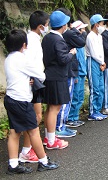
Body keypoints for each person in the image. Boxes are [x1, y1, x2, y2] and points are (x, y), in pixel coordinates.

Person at [4, 29, 59, 174]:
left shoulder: (8, 58)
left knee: (14, 132)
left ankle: (13, 165)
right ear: (24, 45)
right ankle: (43, 162)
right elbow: (41, 75)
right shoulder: (22, 59)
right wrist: (33, 78)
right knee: (34, 131)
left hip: (10, 98)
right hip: (22, 101)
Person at [42, 11, 76, 149]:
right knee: (54, 109)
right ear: (63, 25)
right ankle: (51, 141)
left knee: (50, 108)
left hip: (49, 75)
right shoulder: (58, 39)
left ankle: (48, 136)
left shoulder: (47, 38)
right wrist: (71, 53)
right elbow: (63, 59)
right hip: (57, 77)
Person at [19, 11, 49, 163]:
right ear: (40, 26)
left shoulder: (33, 38)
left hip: (34, 81)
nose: (47, 27)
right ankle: (26, 151)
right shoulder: (32, 40)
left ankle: (27, 149)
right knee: (35, 117)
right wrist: (34, 78)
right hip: (33, 82)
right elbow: (28, 62)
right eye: (47, 24)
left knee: (35, 116)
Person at [55, 8, 86, 137]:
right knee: (65, 100)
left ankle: (62, 124)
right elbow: (82, 42)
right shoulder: (67, 33)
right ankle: (60, 126)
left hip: (67, 69)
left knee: (67, 99)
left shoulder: (57, 35)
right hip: (67, 70)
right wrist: (78, 31)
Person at [66, 20, 88, 127]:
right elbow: (76, 60)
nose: (84, 31)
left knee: (80, 96)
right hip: (77, 73)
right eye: (82, 29)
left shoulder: (80, 45)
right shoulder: (75, 45)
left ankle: (76, 117)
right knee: (74, 96)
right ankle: (71, 118)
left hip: (82, 72)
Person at [86, 14, 108, 121]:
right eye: (102, 23)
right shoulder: (90, 36)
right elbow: (94, 53)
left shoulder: (100, 36)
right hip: (93, 61)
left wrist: (102, 62)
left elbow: (101, 51)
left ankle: (98, 110)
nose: (103, 26)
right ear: (96, 24)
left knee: (100, 87)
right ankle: (92, 112)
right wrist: (102, 62)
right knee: (94, 88)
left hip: (100, 62)